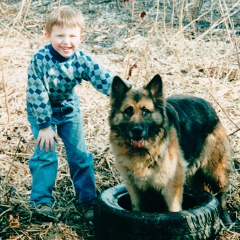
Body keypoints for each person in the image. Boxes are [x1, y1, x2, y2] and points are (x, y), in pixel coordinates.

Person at [26, 5, 114, 224]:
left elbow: (102, 77)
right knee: (45, 154)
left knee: (80, 156)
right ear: (48, 36)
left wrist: (128, 92)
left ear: (81, 37)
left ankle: (87, 202)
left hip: (69, 110)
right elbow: (36, 93)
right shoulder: (40, 60)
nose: (67, 41)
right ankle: (41, 202)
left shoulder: (81, 59)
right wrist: (45, 125)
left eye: (72, 35)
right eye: (60, 35)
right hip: (41, 112)